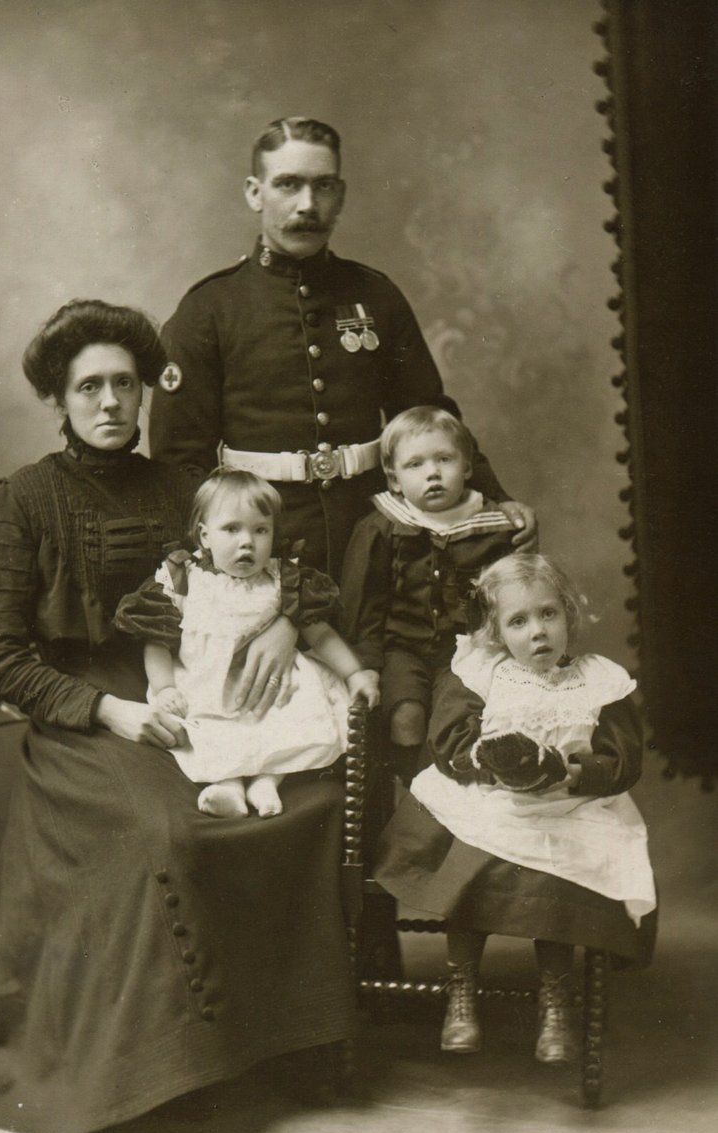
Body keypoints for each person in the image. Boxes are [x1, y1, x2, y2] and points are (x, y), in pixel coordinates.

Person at [0, 300, 357, 1133]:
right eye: (89, 388)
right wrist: (113, 710)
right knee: (167, 835)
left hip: (199, 689)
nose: (110, 403)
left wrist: (287, 620)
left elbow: (284, 567)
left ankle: (287, 1047)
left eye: (124, 385)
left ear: (144, 393)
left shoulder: (188, 487)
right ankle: (170, 1069)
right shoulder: (20, 501)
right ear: (61, 400)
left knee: (312, 804)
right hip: (84, 714)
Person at [148, 116, 537, 717]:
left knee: (385, 711)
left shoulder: (375, 296)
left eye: (324, 186)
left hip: (376, 541)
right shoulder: (210, 310)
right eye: (287, 185)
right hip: (263, 549)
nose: (307, 204)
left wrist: (493, 498)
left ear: (342, 194)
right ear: (255, 192)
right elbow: (179, 462)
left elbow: (432, 420)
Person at [375, 554, 657, 1064]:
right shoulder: (481, 673)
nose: (538, 633)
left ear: (570, 615)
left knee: (561, 874)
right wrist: (495, 763)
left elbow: (623, 758)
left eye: (549, 614)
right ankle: (461, 989)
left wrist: (573, 773)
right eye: (518, 621)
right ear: (495, 631)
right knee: (474, 856)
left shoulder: (600, 680)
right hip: (491, 799)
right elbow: (451, 740)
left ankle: (555, 1001)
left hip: (570, 806)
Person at [114, 468, 379, 819]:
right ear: (204, 536)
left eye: (260, 530)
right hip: (209, 686)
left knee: (296, 721)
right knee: (214, 731)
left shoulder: (283, 578)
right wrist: (163, 687)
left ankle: (268, 781)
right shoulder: (183, 579)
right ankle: (229, 787)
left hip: (276, 689)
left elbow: (321, 633)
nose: (247, 542)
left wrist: (354, 673)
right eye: (231, 529)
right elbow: (157, 640)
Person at [340, 406, 517, 786]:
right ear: (395, 479)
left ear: (468, 467)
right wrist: (367, 663)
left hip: (470, 651)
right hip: (402, 648)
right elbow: (364, 605)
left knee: (457, 719)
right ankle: (412, 791)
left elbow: (513, 601)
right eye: (415, 465)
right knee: (405, 715)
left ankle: (444, 797)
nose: (432, 473)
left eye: (444, 459)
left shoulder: (492, 528)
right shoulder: (381, 527)